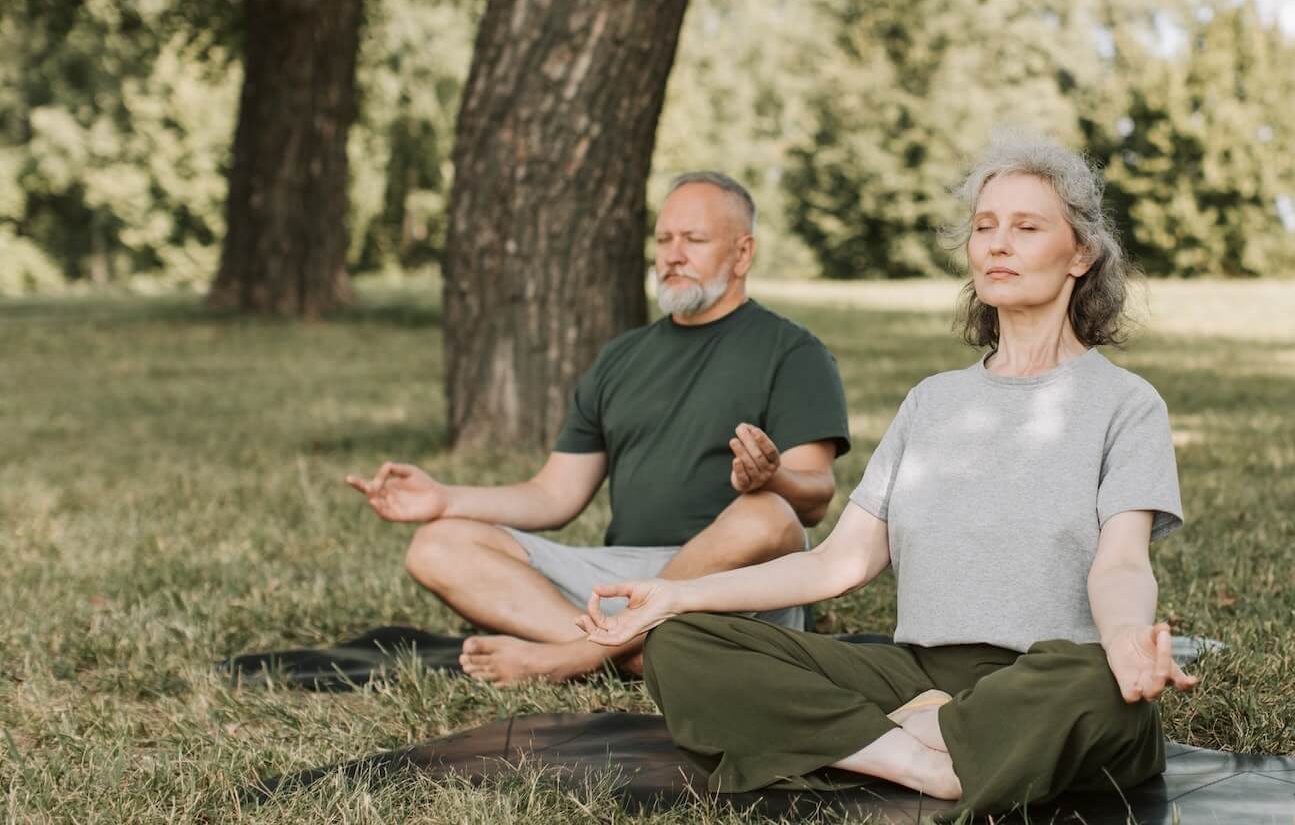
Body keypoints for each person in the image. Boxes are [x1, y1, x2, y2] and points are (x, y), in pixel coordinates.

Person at [578, 132, 1194, 819]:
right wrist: (674, 596)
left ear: (1081, 253)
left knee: (1100, 690)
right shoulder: (932, 402)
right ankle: (919, 760)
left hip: (1046, 677)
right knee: (684, 642)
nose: (997, 244)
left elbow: (1121, 566)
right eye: (985, 227)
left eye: (1026, 228)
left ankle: (880, 738)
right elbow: (837, 564)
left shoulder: (1125, 404)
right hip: (919, 676)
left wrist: (1126, 643)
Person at [344, 172, 851, 685]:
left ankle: (572, 658)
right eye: (663, 240)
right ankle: (632, 657)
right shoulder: (622, 357)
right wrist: (444, 500)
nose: (673, 255)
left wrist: (774, 478)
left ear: (742, 254)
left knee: (767, 514)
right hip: (624, 580)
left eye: (694, 240)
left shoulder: (794, 353)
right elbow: (554, 495)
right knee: (437, 545)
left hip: (732, 582)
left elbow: (811, 501)